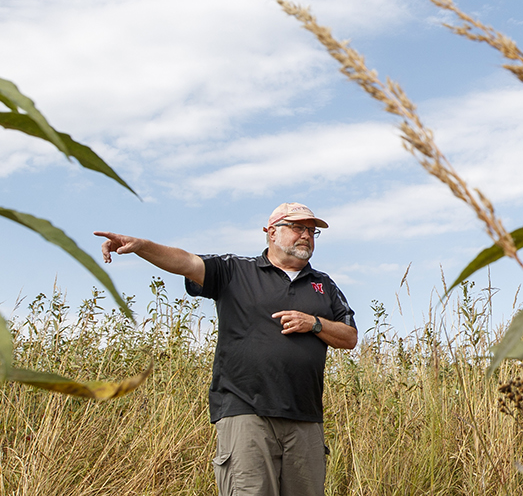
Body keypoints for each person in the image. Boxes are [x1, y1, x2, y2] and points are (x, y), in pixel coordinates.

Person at [94, 203, 359, 496]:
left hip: (305, 418)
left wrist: (314, 323)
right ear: (271, 232)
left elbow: (349, 337)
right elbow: (185, 262)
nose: (306, 235)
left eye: (311, 231)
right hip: (247, 412)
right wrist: (142, 246)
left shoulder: (324, 285)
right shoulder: (236, 270)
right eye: (298, 227)